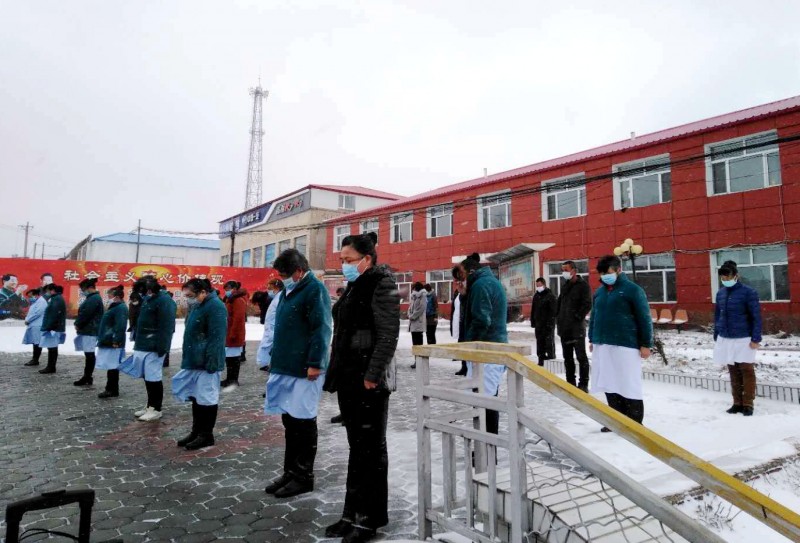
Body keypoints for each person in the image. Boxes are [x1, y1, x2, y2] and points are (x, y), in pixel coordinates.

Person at [323, 233, 400, 543]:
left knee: (370, 451)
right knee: (358, 450)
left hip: (368, 380)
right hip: (349, 377)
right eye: (342, 260)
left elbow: (388, 334)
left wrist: (372, 375)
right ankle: (350, 514)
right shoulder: (357, 284)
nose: (345, 266)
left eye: (349, 260)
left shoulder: (382, 284)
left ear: (367, 259)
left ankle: (369, 520)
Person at [263, 249, 332, 499]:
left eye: (285, 274)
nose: (282, 279)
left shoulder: (315, 290)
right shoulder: (287, 291)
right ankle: (290, 471)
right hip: (286, 366)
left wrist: (315, 362)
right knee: (289, 421)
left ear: (299, 271)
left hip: (305, 370)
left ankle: (304, 476)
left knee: (303, 421)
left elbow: (321, 329)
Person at [588, 255, 653, 432]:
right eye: (601, 274)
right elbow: (594, 316)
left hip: (626, 343)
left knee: (627, 381)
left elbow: (644, 317)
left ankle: (634, 422)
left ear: (618, 270)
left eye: (607, 273)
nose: (604, 277)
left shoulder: (633, 290)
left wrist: (646, 343)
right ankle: (615, 419)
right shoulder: (600, 292)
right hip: (603, 343)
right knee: (609, 381)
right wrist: (592, 338)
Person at [172, 278, 227, 450]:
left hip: (207, 362)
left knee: (207, 398)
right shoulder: (198, 305)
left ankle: (206, 434)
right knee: (196, 397)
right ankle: (196, 431)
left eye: (191, 295)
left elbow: (217, 337)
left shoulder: (215, 306)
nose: (188, 298)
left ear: (203, 292)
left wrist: (211, 362)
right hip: (195, 360)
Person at [461, 253, 508, 435]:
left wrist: (468, 346)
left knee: (485, 402)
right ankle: (486, 449)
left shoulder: (481, 285)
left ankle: (487, 450)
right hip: (490, 349)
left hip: (487, 351)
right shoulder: (486, 282)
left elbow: (481, 320)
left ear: (471, 272)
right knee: (486, 400)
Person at [122, 276, 176, 422]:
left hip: (154, 346)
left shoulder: (164, 300)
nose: (141, 295)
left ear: (150, 288)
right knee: (147, 377)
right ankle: (149, 405)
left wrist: (162, 347)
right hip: (144, 344)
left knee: (154, 377)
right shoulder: (149, 299)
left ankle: (156, 408)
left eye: (143, 291)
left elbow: (166, 326)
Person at [713, 260, 762, 416]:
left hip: (744, 337)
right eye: (723, 279)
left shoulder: (749, 292)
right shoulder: (720, 293)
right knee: (733, 369)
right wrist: (717, 332)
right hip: (726, 336)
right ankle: (737, 403)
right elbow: (718, 314)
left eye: (728, 278)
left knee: (746, 370)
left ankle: (748, 403)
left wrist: (756, 338)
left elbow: (756, 317)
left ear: (736, 276)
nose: (725, 281)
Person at [556, 260, 593, 392]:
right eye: (562, 269)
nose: (564, 272)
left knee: (581, 357)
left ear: (574, 271)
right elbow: (559, 304)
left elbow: (587, 304)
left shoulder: (583, 286)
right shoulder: (565, 286)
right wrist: (558, 319)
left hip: (577, 328)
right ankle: (570, 382)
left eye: (566, 269)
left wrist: (577, 317)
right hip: (564, 328)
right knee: (567, 357)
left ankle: (583, 384)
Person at [96, 285, 129, 399]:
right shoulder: (116, 306)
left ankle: (112, 389)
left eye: (110, 294)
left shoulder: (120, 308)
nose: (108, 296)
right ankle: (110, 388)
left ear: (117, 296)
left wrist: (116, 340)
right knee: (111, 366)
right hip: (109, 339)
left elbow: (120, 325)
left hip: (113, 341)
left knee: (113, 366)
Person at [73, 278, 104, 387]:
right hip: (89, 329)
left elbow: (86, 314)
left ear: (89, 288)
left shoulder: (93, 299)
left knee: (89, 354)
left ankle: (87, 376)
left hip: (91, 330)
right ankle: (87, 376)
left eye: (83, 289)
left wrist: (78, 323)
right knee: (88, 353)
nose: (82, 291)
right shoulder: (92, 298)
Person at [221, 280, 248, 389]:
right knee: (229, 358)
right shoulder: (231, 299)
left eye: (228, 289)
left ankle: (233, 380)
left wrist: (233, 333)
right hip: (230, 332)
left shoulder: (237, 300)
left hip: (234, 334)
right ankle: (229, 378)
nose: (226, 292)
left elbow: (238, 319)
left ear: (234, 289)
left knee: (234, 358)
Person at [256, 278, 285, 374]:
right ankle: (270, 365)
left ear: (276, 287)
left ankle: (273, 366)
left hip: (274, 330)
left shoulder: (280, 298)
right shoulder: (276, 298)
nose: (268, 290)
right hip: (271, 329)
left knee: (272, 349)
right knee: (269, 349)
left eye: (270, 287)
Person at [38, 284, 66, 374]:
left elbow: (53, 315)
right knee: (52, 347)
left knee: (52, 348)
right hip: (54, 327)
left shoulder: (56, 299)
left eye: (47, 291)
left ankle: (51, 367)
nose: (47, 293)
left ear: (52, 290)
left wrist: (48, 327)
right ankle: (50, 366)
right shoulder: (56, 298)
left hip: (53, 328)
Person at [531, 277, 557, 366]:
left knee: (549, 344)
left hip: (548, 325)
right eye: (537, 285)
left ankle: (551, 362)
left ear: (544, 285)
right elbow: (533, 310)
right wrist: (533, 321)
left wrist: (551, 323)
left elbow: (554, 311)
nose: (538, 287)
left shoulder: (550, 296)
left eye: (540, 285)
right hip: (539, 325)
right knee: (540, 344)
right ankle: (541, 361)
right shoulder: (536, 296)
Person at [451, 264, 468, 376]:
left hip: (467, 323)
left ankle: (467, 368)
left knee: (467, 347)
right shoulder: (459, 291)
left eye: (459, 277)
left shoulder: (472, 286)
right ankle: (464, 367)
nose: (458, 281)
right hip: (461, 323)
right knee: (462, 346)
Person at [22, 289, 46, 366]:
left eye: (30, 296)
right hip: (34, 325)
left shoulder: (41, 302)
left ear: (36, 295)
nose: (29, 298)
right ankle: (34, 359)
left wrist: (28, 320)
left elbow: (37, 313)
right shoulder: (36, 302)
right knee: (35, 343)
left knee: (37, 343)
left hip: (38, 325)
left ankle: (35, 360)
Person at [408, 282, 426, 369]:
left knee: (418, 344)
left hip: (418, 322)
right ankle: (416, 360)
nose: (412, 289)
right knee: (415, 344)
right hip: (413, 322)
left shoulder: (422, 295)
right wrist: (409, 314)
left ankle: (420, 361)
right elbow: (410, 307)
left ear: (416, 288)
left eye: (413, 287)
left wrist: (413, 316)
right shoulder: (413, 296)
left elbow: (422, 308)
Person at [162, 290, 177, 368]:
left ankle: (165, 361)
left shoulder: (169, 304)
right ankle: (166, 361)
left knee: (165, 344)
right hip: (170, 327)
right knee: (167, 343)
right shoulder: (173, 303)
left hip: (167, 327)